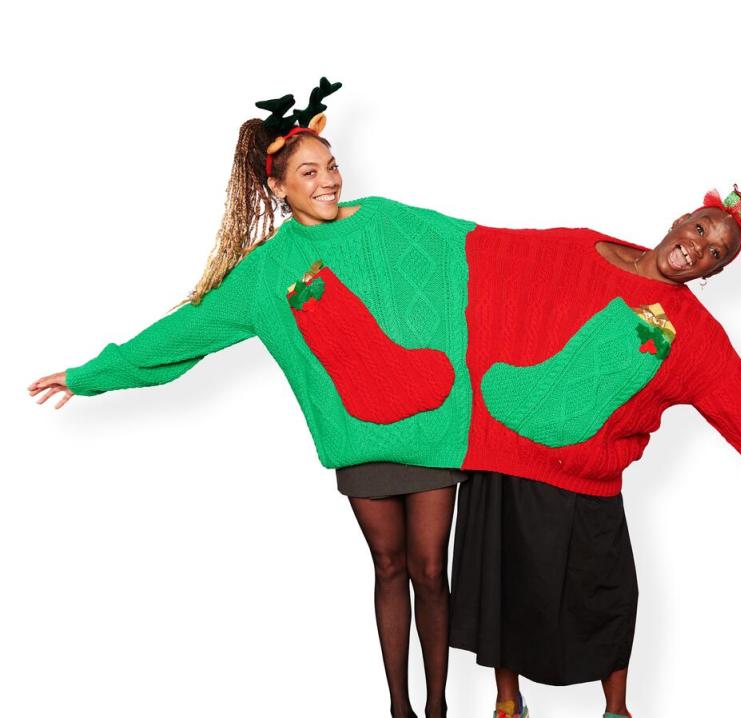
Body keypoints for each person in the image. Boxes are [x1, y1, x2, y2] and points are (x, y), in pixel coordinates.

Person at [27, 79, 474, 718]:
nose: (328, 181)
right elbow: (186, 331)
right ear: (278, 188)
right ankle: (400, 709)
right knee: (389, 567)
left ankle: (438, 707)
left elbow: (481, 250)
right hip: (360, 439)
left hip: (432, 426)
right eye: (310, 172)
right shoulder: (266, 273)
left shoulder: (388, 221)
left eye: (333, 166)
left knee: (432, 571)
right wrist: (90, 374)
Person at [445, 187, 741, 718]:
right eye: (700, 230)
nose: (700, 249)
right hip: (508, 450)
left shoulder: (693, 334)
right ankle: (508, 700)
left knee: (608, 594)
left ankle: (617, 710)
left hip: (588, 477)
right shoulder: (583, 247)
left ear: (712, 274)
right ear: (680, 220)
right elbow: (489, 250)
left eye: (716, 253)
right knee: (505, 581)